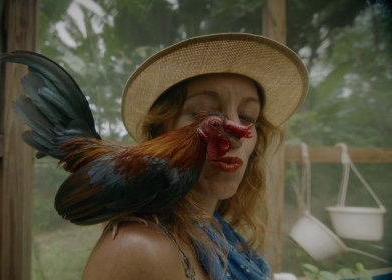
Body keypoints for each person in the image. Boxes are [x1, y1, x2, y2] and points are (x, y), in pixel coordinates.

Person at [81, 33, 309, 280]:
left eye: (247, 116)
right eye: (205, 114)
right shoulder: (138, 250)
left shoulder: (217, 231)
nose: (236, 135)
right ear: (161, 131)